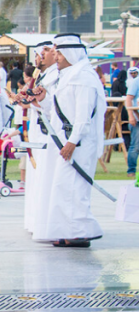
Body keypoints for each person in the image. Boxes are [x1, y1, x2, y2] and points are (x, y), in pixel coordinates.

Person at [31, 34, 106, 247]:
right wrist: (43, 98)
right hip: (66, 141)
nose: (56, 57)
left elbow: (84, 116)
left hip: (79, 143)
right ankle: (67, 232)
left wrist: (72, 142)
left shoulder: (84, 78)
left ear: (71, 53)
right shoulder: (69, 76)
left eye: (60, 53)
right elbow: (58, 111)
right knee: (63, 187)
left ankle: (81, 232)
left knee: (74, 187)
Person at [21, 41, 58, 234]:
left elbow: (54, 107)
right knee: (36, 178)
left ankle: (45, 225)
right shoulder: (42, 76)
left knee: (46, 178)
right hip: (38, 130)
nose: (40, 57)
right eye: (38, 54)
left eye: (44, 52)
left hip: (50, 134)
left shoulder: (55, 76)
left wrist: (38, 100)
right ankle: (36, 222)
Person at [126, 65, 139, 178]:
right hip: (137, 117)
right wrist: (131, 115)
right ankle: (131, 171)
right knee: (135, 146)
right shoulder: (136, 81)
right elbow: (129, 98)